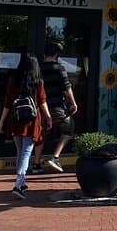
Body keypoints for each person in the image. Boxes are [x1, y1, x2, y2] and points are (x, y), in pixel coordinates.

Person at [0, 53, 52, 200]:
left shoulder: (13, 80)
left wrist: (1, 122)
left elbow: (8, 103)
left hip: (16, 119)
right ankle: (18, 184)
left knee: (20, 151)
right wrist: (48, 117)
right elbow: (42, 101)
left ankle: (22, 183)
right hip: (32, 121)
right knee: (26, 153)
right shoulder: (37, 81)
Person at [32, 41, 78, 173]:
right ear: (56, 54)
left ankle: (36, 164)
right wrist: (73, 103)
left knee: (41, 134)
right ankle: (55, 157)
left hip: (41, 107)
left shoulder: (38, 68)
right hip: (57, 107)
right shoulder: (59, 68)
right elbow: (66, 88)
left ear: (44, 53)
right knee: (68, 129)